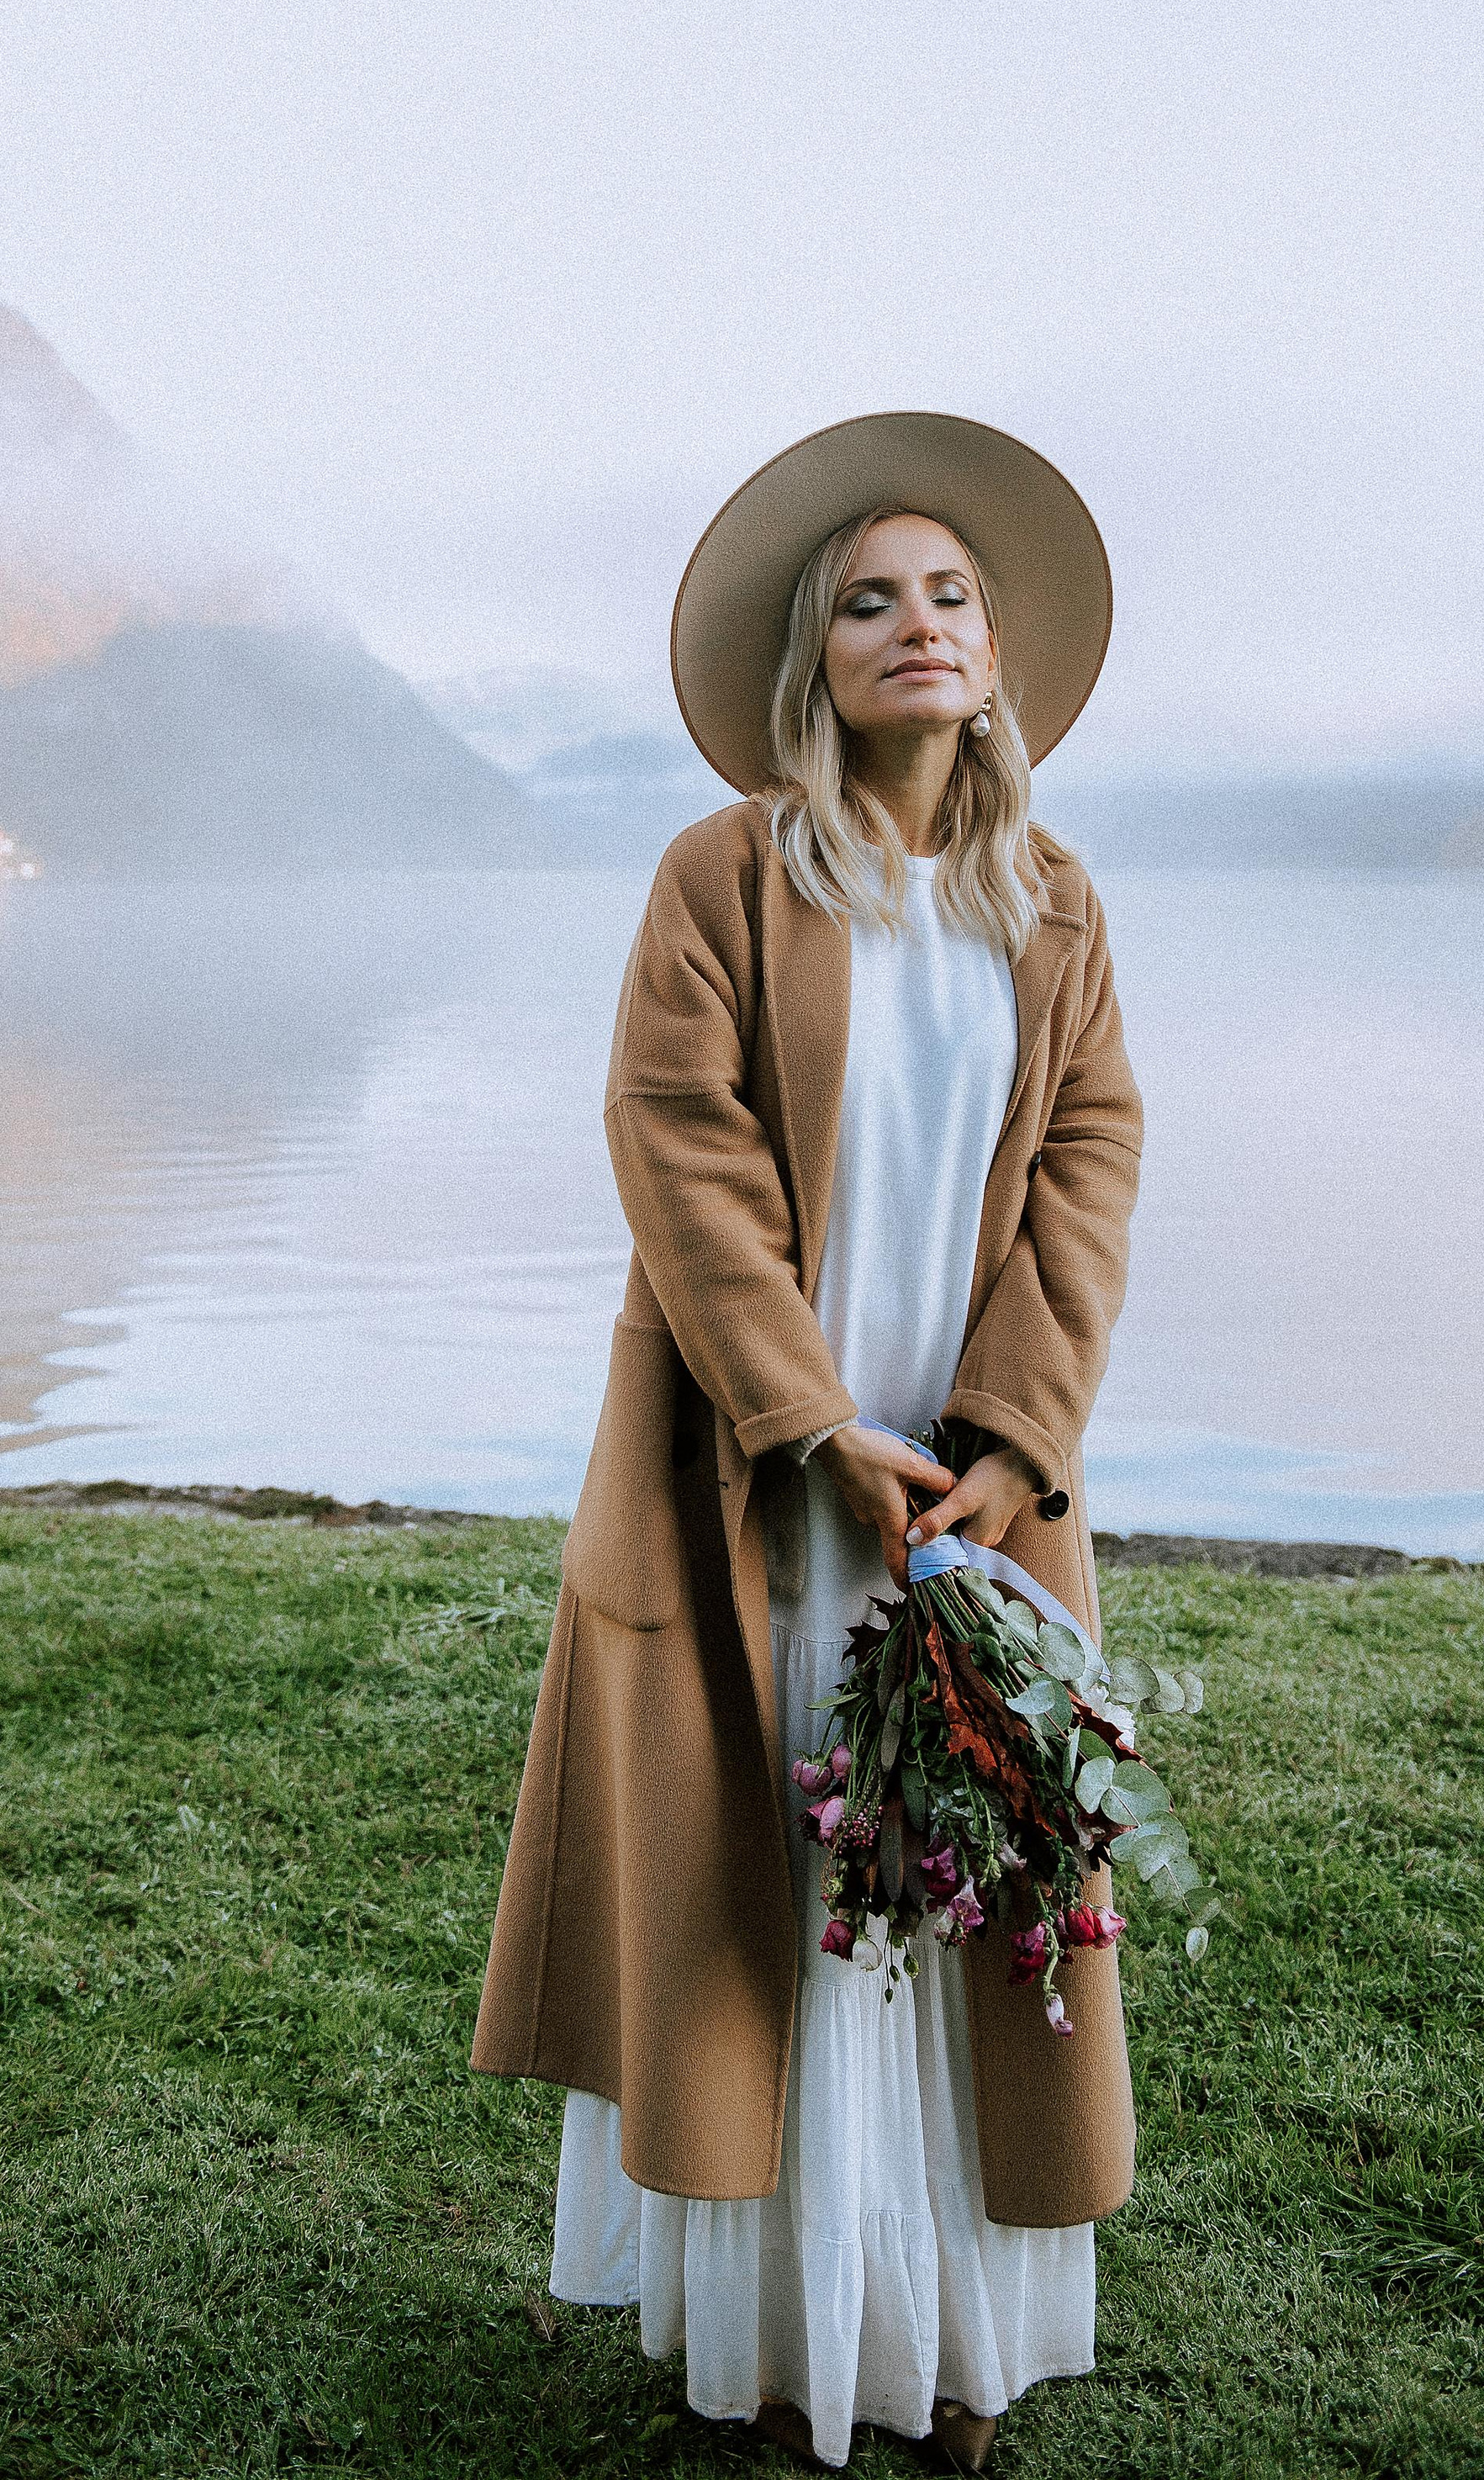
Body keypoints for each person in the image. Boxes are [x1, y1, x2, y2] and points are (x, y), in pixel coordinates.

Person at [473, 411, 1143, 2470]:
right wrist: (809, 1415)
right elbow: (672, 1146)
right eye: (866, 602)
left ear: (995, 650)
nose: (913, 624)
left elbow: (1087, 1164)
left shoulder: (1048, 900)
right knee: (774, 1875)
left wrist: (1009, 1434)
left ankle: (942, 2343)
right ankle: (776, 2349)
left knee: (960, 1886)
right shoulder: (728, 877)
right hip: (758, 1476)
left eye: (947, 595)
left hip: (971, 1490)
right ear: (814, 661)